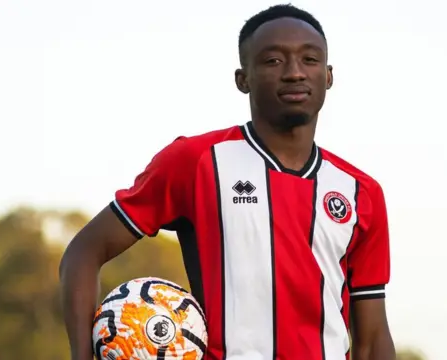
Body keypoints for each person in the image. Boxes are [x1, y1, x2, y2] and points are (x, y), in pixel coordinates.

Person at [59, 4, 395, 360]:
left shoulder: (360, 192)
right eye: (273, 61)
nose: (295, 73)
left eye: (309, 60)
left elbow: (372, 339)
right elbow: (83, 253)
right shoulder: (196, 161)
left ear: (328, 76)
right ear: (243, 79)